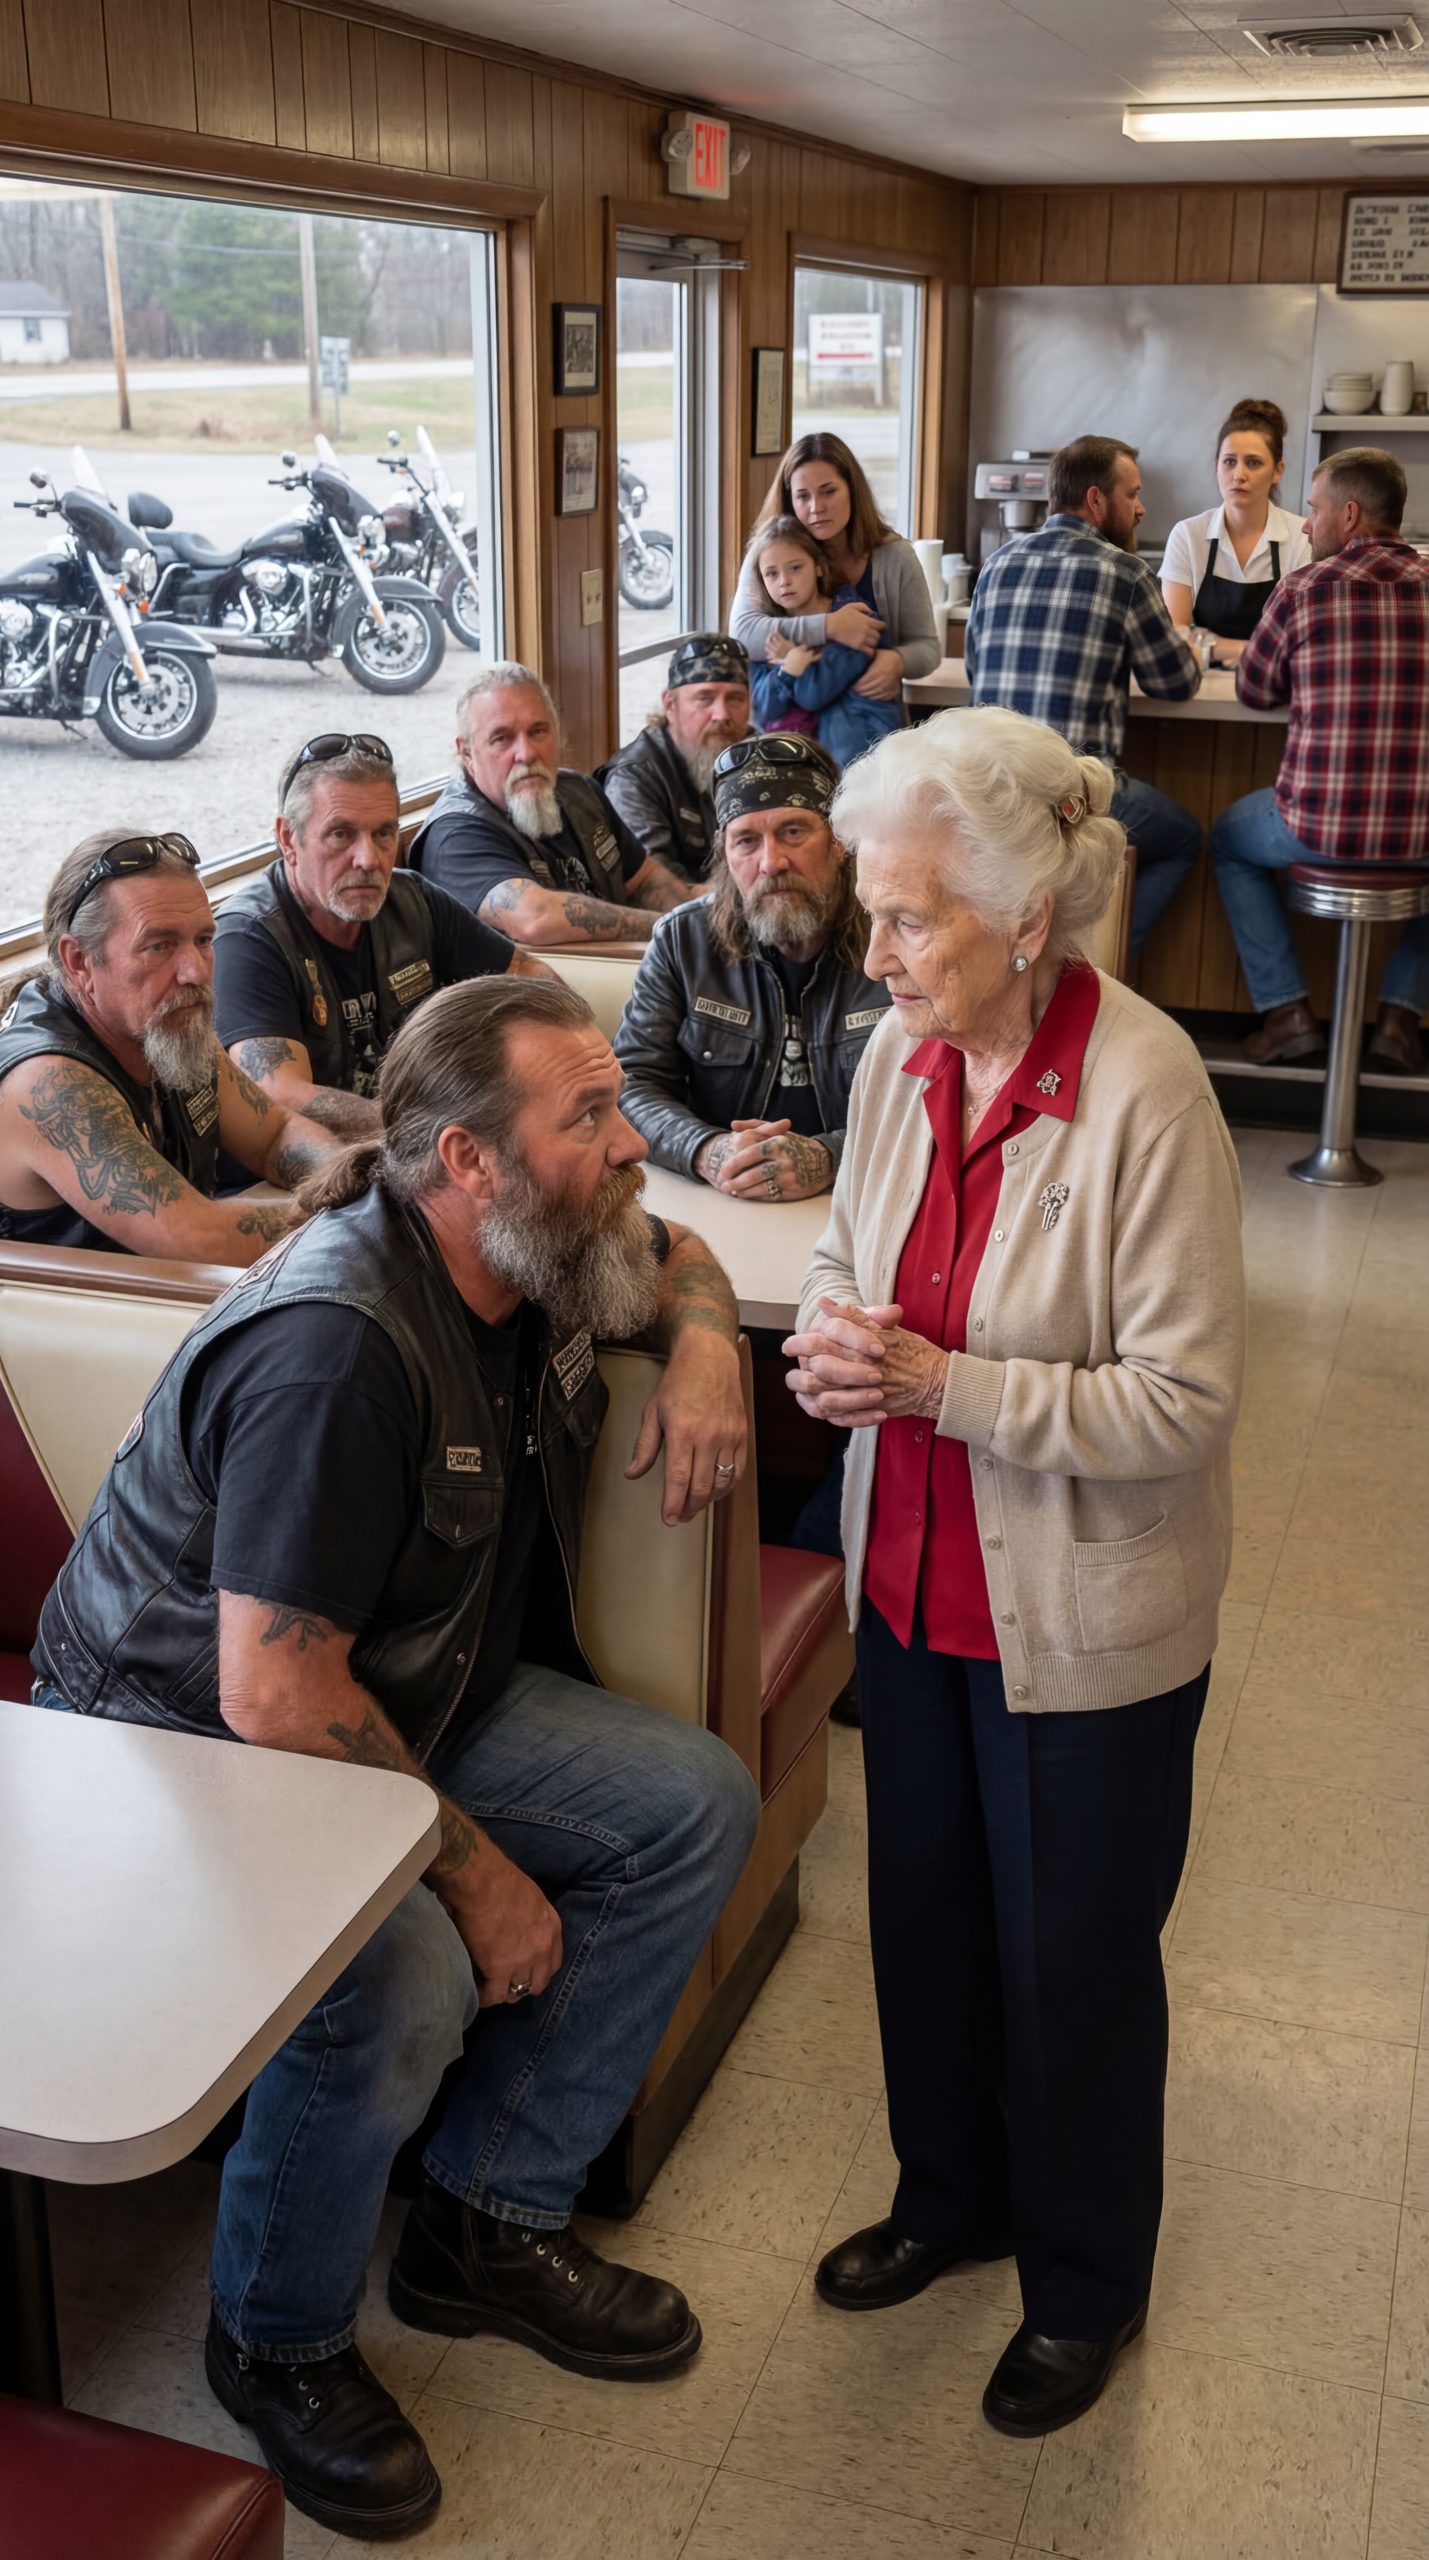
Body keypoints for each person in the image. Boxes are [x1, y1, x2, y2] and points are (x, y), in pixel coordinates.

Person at [31, 973, 761, 2542]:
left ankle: (483, 2222)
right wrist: (478, 1874)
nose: (630, 1138)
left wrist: (707, 1351)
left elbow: (678, 1249)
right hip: (178, 1745)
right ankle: (272, 2341)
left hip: (393, 1694)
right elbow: (273, 1694)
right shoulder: (337, 1348)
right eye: (588, 1114)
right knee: (406, 1979)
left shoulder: (534, 1241)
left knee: (693, 1803)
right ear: (469, 1163)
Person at [784, 706, 1244, 2440]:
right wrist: (836, 1339)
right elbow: (848, 1250)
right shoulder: (894, 1056)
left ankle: (1078, 2280)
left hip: (1080, 1623)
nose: (874, 948)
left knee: (1069, 1958)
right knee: (924, 1920)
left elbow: (1182, 1401)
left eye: (907, 917)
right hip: (904, 1590)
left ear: (1023, 918)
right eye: (870, 910)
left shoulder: (1141, 1092)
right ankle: (946, 2198)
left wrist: (935, 1387)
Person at [0, 830, 336, 1264]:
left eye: (202, 940)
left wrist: (348, 1176)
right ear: (79, 962)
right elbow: (197, 1238)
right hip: (63, 1320)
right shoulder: (48, 1082)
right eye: (159, 946)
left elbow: (274, 1134)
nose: (194, 972)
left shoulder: (164, 1026)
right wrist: (362, 1212)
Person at [1209, 446, 1429, 1071]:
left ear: (1350, 515)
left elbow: (1254, 690)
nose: (1306, 525)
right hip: (1421, 832)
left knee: (1227, 840)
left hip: (1316, 828)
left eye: (1314, 510)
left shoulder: (1302, 588)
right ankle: (1400, 1019)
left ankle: (1286, 1014)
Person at [213, 730, 550, 1138]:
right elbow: (279, 1094)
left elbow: (531, 977)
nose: (368, 859)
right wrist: (431, 1126)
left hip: (421, 1145)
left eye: (384, 833)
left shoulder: (413, 900)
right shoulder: (248, 937)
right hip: (310, 1170)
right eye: (341, 834)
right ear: (288, 838)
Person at [615, 734, 889, 1198]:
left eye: (794, 832)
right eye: (746, 840)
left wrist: (830, 1157)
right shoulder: (683, 942)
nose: (771, 862)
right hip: (725, 1202)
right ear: (726, 854)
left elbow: (948, 1094)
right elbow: (632, 1084)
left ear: (840, 841)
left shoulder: (896, 935)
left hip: (865, 1199)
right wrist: (707, 1149)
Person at [964, 434, 1203, 955]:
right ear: (1096, 501)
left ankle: (1053, 962)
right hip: (1076, 799)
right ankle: (1092, 961)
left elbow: (975, 671)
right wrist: (1191, 646)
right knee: (1183, 838)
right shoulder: (1126, 572)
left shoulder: (997, 565)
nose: (1141, 509)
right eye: (1132, 494)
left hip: (992, 794)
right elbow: (1176, 682)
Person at [408, 664, 696, 946]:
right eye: (502, 738)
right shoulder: (454, 835)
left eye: (538, 732)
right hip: (532, 990)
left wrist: (696, 918)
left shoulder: (579, 791)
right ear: (467, 753)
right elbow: (536, 918)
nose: (526, 753)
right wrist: (669, 928)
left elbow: (644, 878)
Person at [731, 432, 940, 711]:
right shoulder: (766, 554)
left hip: (871, 737)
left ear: (852, 489)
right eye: (802, 496)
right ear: (789, 500)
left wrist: (897, 660)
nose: (816, 507)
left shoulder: (896, 556)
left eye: (828, 491)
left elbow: (927, 649)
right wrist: (831, 626)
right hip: (784, 738)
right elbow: (742, 636)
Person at [1160, 399, 1311, 663]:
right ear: (1216, 465)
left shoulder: (1303, 537)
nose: (1239, 474)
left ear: (1278, 470)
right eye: (1229, 462)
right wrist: (1248, 651)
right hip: (1200, 690)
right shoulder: (1188, 535)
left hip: (1277, 689)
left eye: (1253, 463)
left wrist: (1209, 645)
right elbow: (1175, 633)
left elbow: (1304, 635)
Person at [744, 517, 902, 769]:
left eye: (795, 568)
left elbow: (813, 694)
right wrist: (787, 671)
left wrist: (790, 659)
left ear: (818, 566)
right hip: (797, 763)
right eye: (771, 574)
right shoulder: (767, 632)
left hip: (864, 757)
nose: (784, 581)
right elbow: (763, 709)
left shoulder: (856, 618)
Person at [596, 632, 753, 882]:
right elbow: (657, 889)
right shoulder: (634, 777)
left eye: (735, 699)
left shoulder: (757, 754)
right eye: (705, 698)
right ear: (670, 705)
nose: (722, 714)